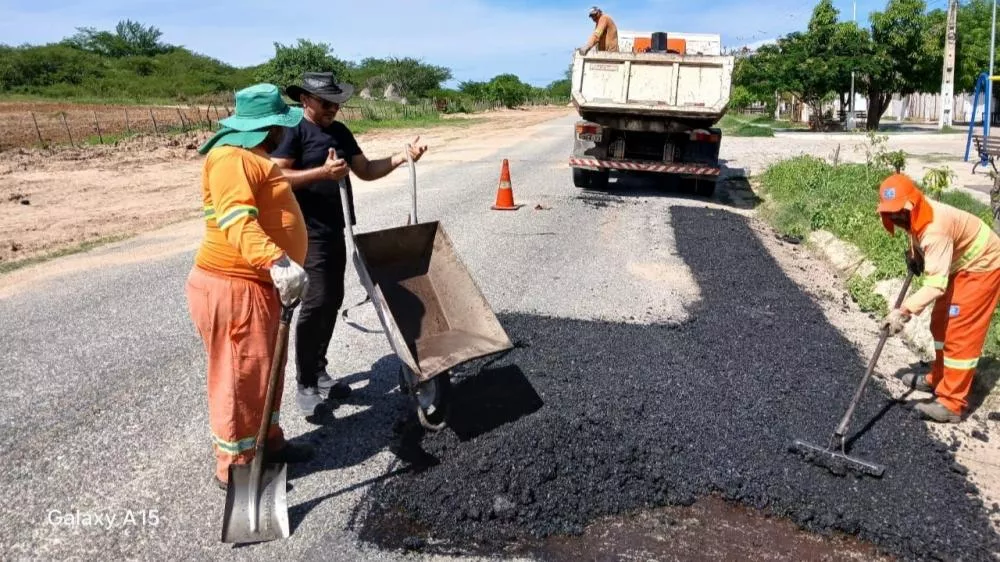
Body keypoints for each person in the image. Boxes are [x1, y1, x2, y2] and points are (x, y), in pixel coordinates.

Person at [270, 71, 428, 415]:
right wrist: (320, 174)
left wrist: (402, 158)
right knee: (317, 302)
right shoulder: (295, 133)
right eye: (326, 102)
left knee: (332, 299)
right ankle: (306, 383)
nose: (333, 109)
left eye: (337, 103)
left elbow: (366, 170)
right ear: (305, 100)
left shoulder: (340, 133)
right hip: (307, 232)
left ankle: (320, 370)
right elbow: (276, 176)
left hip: (335, 228)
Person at [185, 83, 315, 489]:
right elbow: (237, 220)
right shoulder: (230, 158)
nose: (284, 132)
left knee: (261, 373)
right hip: (233, 286)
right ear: (267, 127)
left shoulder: (250, 157)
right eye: (279, 124)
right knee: (239, 377)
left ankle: (268, 442)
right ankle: (236, 465)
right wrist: (276, 260)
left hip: (255, 286)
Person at [877, 173, 1000, 423]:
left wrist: (903, 311)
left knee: (959, 332)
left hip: (983, 267)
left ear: (911, 204)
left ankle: (951, 403)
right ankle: (939, 377)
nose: (897, 218)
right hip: (959, 266)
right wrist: (916, 255)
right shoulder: (917, 215)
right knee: (939, 323)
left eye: (900, 212)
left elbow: (935, 286)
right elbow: (920, 238)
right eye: (891, 214)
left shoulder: (935, 229)